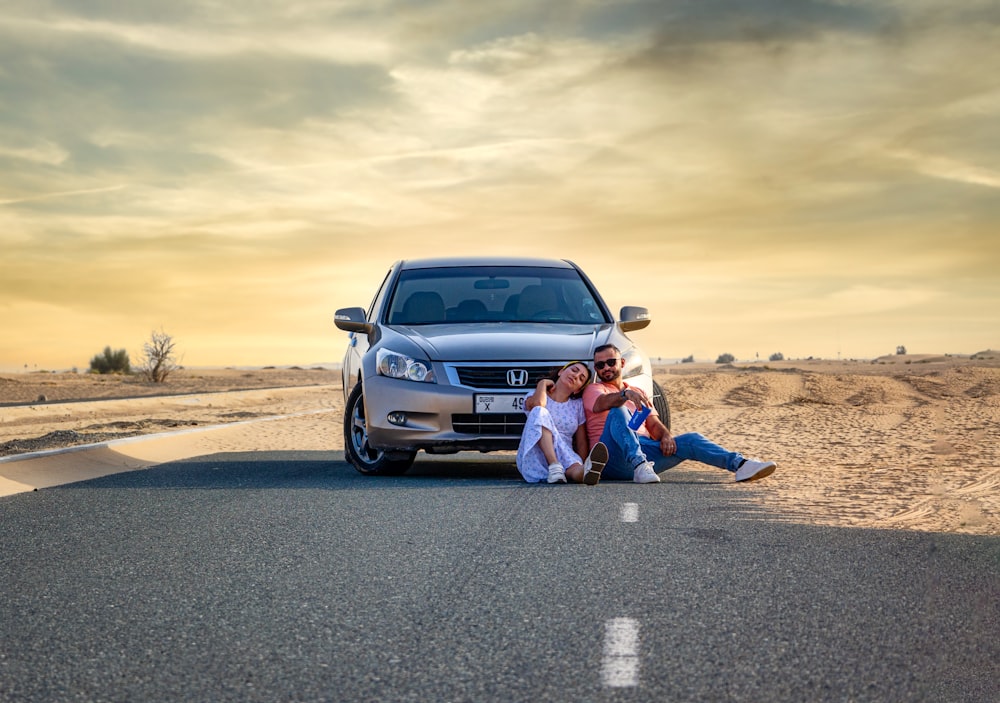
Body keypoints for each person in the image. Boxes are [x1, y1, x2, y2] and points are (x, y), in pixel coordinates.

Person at [582, 344, 776, 484]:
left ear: (622, 362)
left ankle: (741, 465)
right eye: (600, 365)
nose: (606, 368)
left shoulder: (638, 392)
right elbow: (602, 404)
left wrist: (665, 436)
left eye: (610, 362)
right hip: (610, 456)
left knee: (691, 439)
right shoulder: (594, 390)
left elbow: (654, 424)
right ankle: (639, 465)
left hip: (645, 450)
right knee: (618, 410)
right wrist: (625, 395)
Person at [516, 361, 609, 484]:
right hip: (536, 455)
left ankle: (587, 471)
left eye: (581, 378)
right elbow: (538, 405)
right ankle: (554, 466)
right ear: (561, 371)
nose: (576, 376)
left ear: (578, 389)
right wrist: (542, 383)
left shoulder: (577, 405)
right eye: (574, 370)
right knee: (539, 411)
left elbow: (581, 441)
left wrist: (581, 460)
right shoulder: (536, 395)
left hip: (564, 452)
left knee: (576, 468)